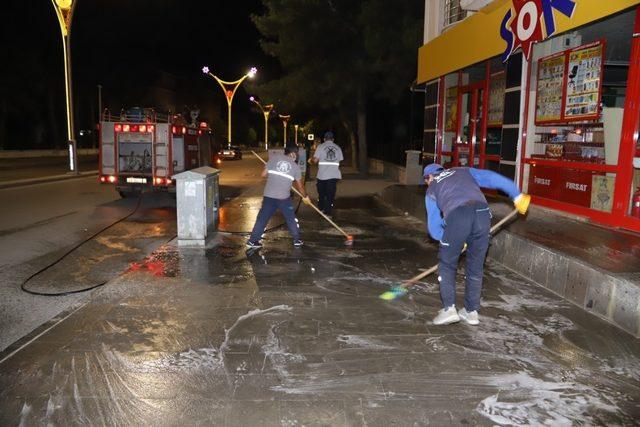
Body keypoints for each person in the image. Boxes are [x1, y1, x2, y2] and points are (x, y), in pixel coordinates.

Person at [422, 163, 531, 326]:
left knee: (446, 264)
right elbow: (492, 178)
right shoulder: (462, 171)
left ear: (428, 177)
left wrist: (451, 240)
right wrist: (517, 195)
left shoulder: (431, 189)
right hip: (482, 215)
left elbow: (434, 229)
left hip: (457, 215)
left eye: (426, 181)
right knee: (475, 266)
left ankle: (449, 309)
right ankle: (471, 311)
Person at [247, 145, 312, 248]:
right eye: (297, 154)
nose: (297, 156)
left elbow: (263, 174)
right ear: (293, 154)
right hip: (283, 198)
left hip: (269, 196)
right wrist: (305, 196)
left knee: (262, 218)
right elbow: (300, 186)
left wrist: (275, 175)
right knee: (290, 218)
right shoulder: (295, 167)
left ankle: (252, 241)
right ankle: (297, 240)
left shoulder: (274, 159)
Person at [310, 131, 343, 216]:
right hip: (334, 175)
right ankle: (328, 212)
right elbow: (340, 160)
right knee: (330, 194)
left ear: (324, 139)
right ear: (333, 139)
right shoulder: (338, 147)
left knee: (322, 193)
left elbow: (315, 160)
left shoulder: (320, 147)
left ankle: (321, 209)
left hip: (322, 175)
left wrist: (311, 160)